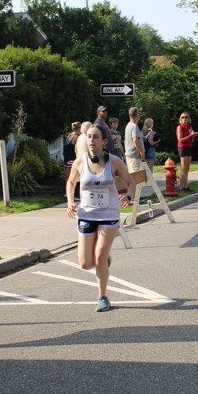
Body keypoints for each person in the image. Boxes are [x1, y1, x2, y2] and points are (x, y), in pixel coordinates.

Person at [66, 124, 136, 312]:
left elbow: (131, 183)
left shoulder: (114, 161)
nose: (91, 140)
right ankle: (105, 260)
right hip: (86, 215)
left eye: (96, 137)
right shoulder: (80, 162)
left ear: (104, 141)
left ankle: (102, 297)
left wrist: (128, 196)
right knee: (85, 263)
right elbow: (71, 182)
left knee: (98, 257)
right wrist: (70, 202)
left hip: (108, 214)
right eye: (89, 136)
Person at [124, 107, 147, 186]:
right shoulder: (134, 126)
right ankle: (135, 194)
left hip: (130, 156)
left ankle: (135, 193)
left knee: (134, 178)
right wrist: (141, 151)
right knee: (136, 179)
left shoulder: (128, 125)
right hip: (134, 156)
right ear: (137, 115)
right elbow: (135, 140)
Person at [175, 112, 198, 191]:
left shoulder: (189, 127)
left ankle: (186, 185)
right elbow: (180, 139)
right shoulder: (179, 127)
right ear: (180, 119)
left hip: (188, 147)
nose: (184, 119)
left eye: (186, 117)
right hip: (182, 147)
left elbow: (191, 140)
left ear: (189, 119)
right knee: (184, 168)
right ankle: (182, 186)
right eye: (183, 117)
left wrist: (193, 136)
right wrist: (190, 136)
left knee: (187, 168)